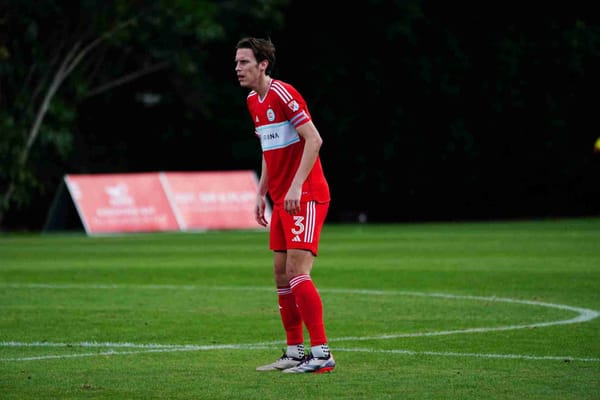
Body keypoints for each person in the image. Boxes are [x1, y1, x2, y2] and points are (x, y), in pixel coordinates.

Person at [235, 37, 335, 374]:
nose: (238, 69)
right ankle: (294, 351)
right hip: (281, 199)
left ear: (263, 64)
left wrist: (294, 186)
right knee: (280, 274)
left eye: (244, 62)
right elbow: (268, 150)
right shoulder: (253, 101)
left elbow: (314, 139)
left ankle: (321, 354)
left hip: (305, 195)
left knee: (296, 271)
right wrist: (261, 193)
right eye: (236, 63)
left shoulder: (283, 93)